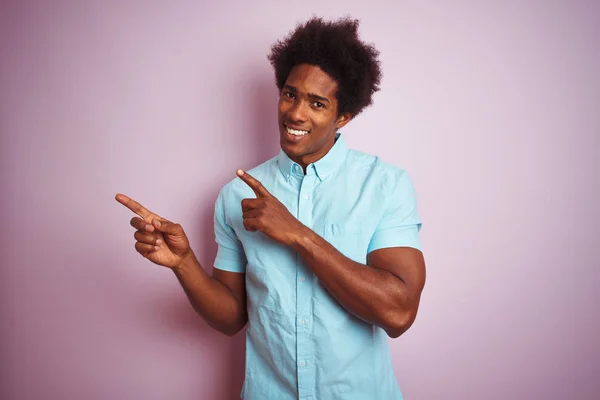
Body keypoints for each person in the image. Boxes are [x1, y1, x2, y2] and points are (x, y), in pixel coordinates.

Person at [116, 16, 426, 400]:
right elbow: (231, 318)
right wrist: (184, 263)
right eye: (290, 94)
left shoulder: (384, 186)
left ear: (342, 116)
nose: (295, 113)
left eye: (317, 103)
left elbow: (398, 314)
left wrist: (296, 233)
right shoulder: (235, 195)